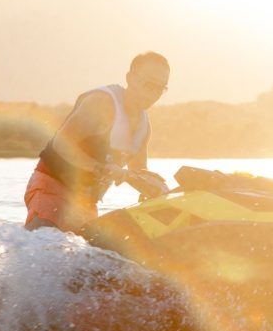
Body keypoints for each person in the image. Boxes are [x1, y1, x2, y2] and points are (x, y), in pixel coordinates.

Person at [24, 51, 170, 234]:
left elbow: (138, 171)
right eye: (149, 85)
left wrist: (158, 189)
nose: (154, 94)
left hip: (85, 204)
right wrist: (101, 168)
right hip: (52, 188)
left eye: (161, 88)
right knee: (46, 250)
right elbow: (61, 143)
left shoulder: (144, 127)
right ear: (130, 78)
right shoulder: (101, 103)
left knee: (85, 260)